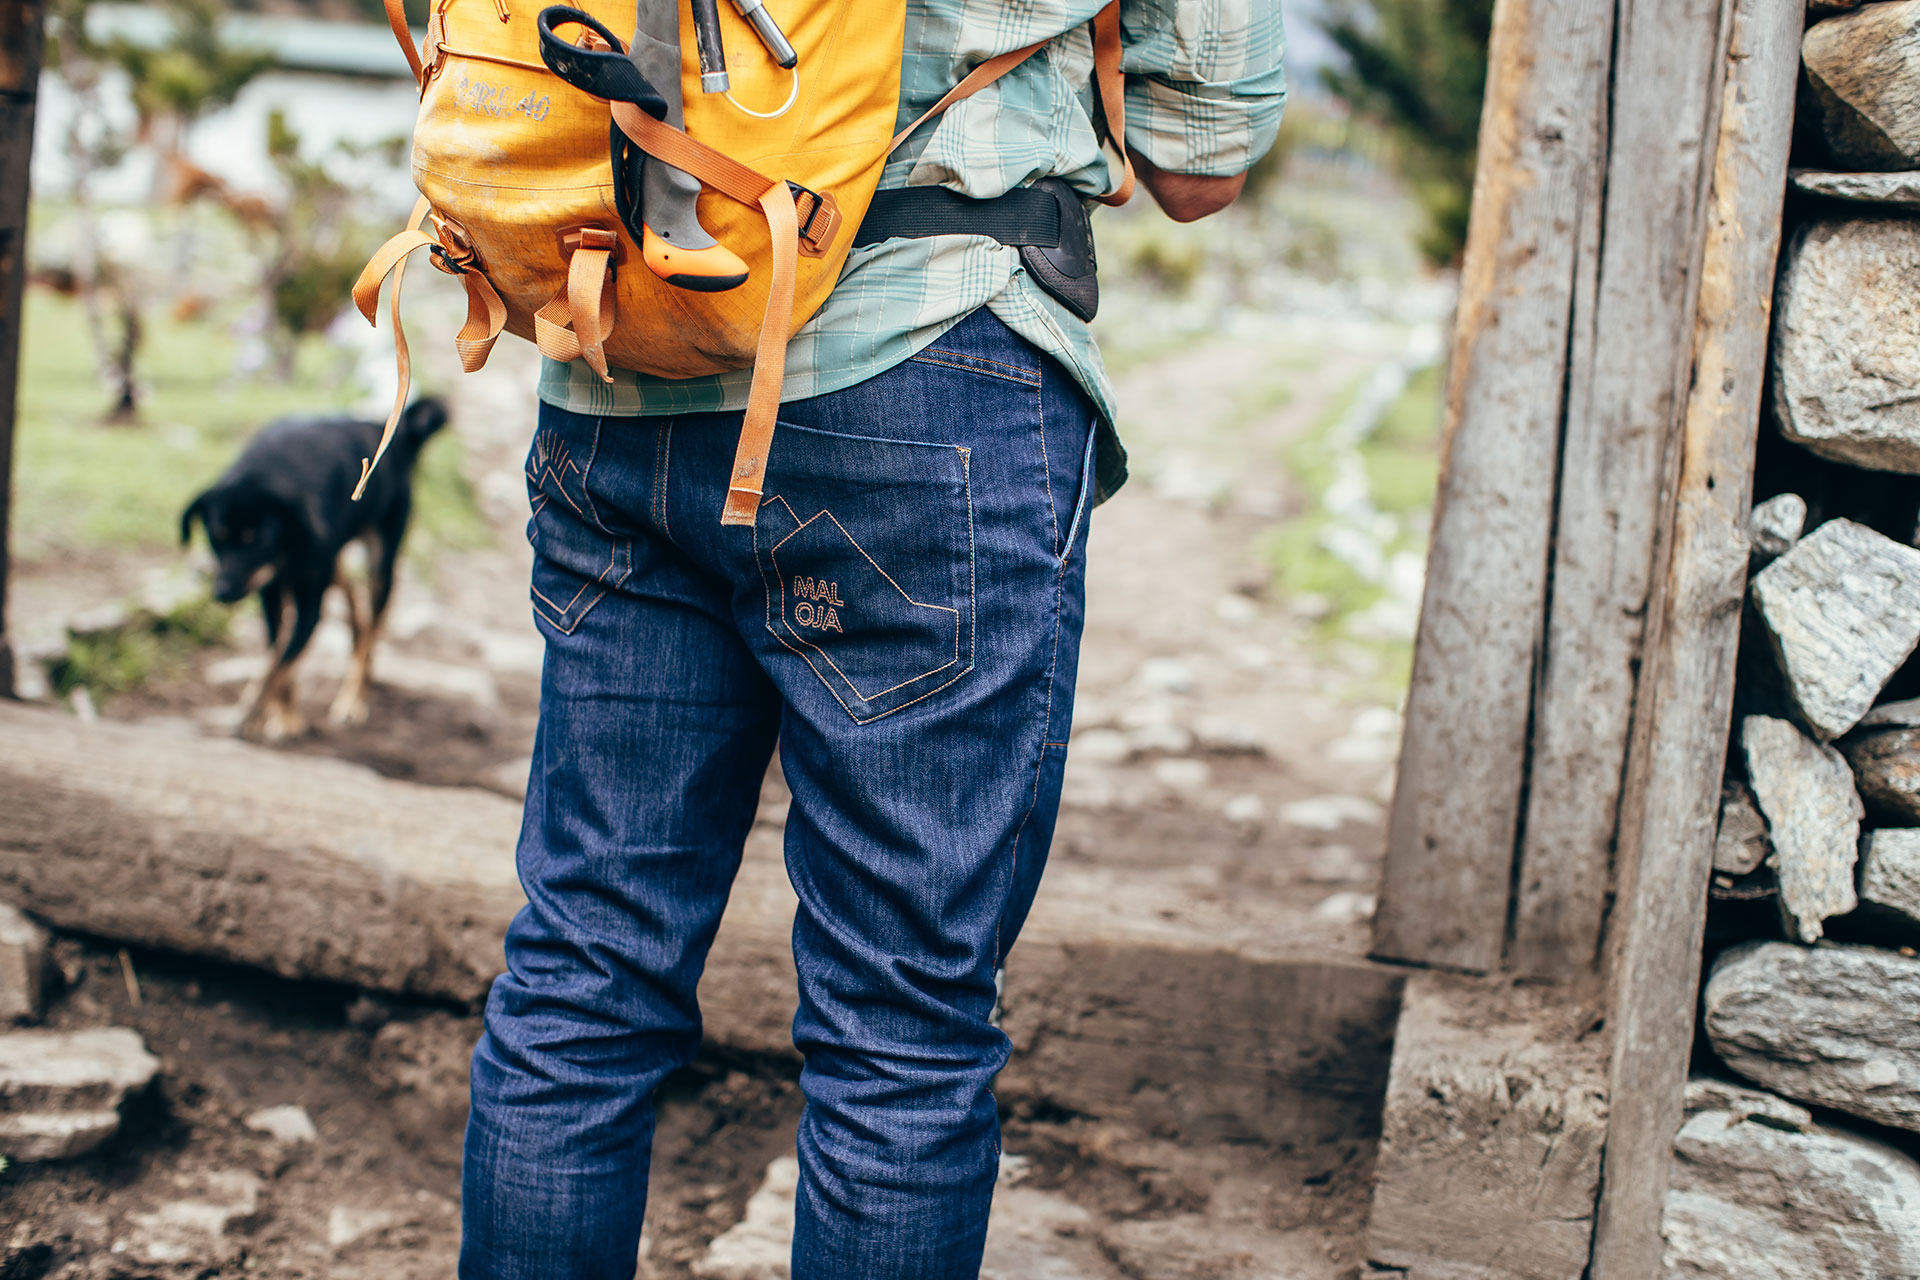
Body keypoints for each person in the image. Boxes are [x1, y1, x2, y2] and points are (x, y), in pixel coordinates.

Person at [459, 3, 1286, 1276]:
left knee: (583, 973)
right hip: (921, 362)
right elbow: (1197, 166)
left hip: (623, 353)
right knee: (900, 1025)